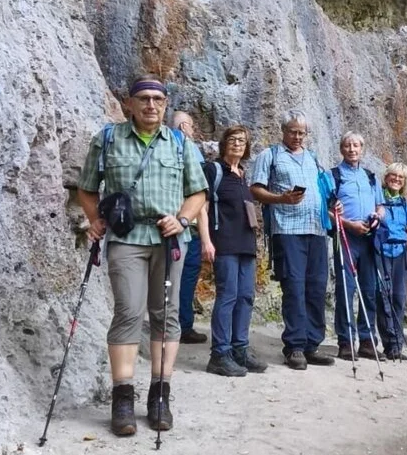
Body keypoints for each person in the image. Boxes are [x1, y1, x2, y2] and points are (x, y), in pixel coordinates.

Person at [78, 74, 210, 436]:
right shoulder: (108, 139)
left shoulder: (180, 144)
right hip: (127, 238)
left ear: (165, 105)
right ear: (130, 104)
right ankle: (122, 399)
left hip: (169, 241)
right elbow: (87, 189)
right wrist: (95, 220)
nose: (151, 105)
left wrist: (182, 219)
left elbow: (198, 193)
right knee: (128, 312)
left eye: (158, 99)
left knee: (166, 315)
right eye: (144, 99)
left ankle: (160, 396)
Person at [249, 110, 337, 370]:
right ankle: (295, 347)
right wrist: (281, 199)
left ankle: (312, 345)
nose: (297, 136)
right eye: (292, 131)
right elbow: (255, 189)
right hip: (287, 230)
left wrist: (334, 209)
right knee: (295, 287)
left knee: (317, 287)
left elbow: (323, 191)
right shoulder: (271, 155)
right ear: (283, 131)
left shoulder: (313, 158)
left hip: (317, 229)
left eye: (301, 132)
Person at [202, 125, 268, 377]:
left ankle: (240, 348)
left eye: (242, 140)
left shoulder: (242, 174)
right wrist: (207, 241)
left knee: (246, 297)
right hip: (225, 243)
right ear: (223, 143)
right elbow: (202, 207)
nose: (237, 143)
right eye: (232, 139)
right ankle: (220, 353)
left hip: (246, 244)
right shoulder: (214, 170)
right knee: (228, 295)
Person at [331, 132, 385, 360]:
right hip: (346, 236)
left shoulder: (371, 176)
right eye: (347, 145)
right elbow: (327, 210)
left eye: (356, 145)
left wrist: (377, 216)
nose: (352, 149)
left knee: (370, 290)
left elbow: (381, 205)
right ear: (341, 149)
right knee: (345, 289)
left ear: (362, 149)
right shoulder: (333, 175)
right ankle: (345, 341)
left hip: (369, 238)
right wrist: (347, 224)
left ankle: (366, 340)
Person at [171, 111, 211, 345]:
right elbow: (198, 188)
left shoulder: (163, 141)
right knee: (185, 276)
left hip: (166, 220)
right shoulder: (186, 145)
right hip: (188, 222)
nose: (193, 131)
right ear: (186, 126)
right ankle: (182, 325)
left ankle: (168, 322)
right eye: (192, 127)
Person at [375, 163, 407, 360]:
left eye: (401, 177)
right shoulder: (377, 199)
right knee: (383, 297)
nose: (397, 180)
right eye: (393, 176)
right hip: (381, 251)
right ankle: (388, 344)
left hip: (401, 252)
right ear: (386, 177)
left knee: (399, 297)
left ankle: (397, 345)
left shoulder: (404, 204)